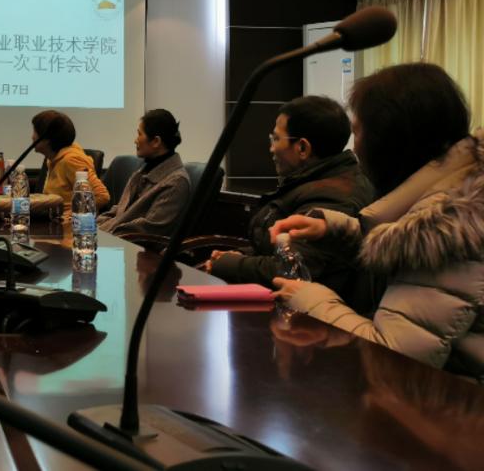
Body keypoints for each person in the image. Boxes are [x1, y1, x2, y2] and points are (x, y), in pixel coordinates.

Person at [271, 63, 483, 380]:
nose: (355, 146)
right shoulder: (456, 198)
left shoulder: (449, 230)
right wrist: (335, 231)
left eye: (358, 132)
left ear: (389, 142)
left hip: (453, 404)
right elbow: (405, 243)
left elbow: (395, 359)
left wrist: (310, 300)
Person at [203, 96, 376, 310]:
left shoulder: (334, 197)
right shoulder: (316, 182)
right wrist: (240, 256)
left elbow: (294, 269)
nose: (271, 149)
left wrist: (228, 264)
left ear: (302, 148)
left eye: (276, 139)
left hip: (309, 320)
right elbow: (280, 249)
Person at [98, 109, 190, 237]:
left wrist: (100, 233)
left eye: (139, 134)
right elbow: (120, 211)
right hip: (113, 238)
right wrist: (91, 226)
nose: (135, 140)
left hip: (132, 246)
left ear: (156, 141)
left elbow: (147, 230)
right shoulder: (144, 169)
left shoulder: (176, 183)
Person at [32, 110, 109, 217]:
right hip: (52, 221)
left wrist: (72, 215)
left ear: (46, 139)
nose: (32, 137)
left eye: (35, 132)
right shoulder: (52, 160)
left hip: (67, 225)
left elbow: (101, 196)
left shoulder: (71, 160)